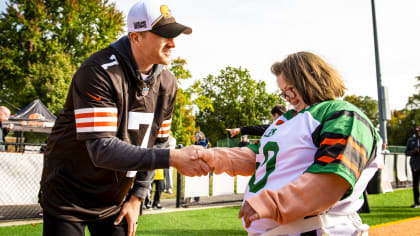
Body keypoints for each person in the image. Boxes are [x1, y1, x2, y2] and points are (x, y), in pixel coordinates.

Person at [39, 1, 210, 236]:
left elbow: (158, 141)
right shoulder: (99, 71)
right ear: (135, 37)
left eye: (174, 36)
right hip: (69, 196)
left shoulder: (168, 83)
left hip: (114, 200)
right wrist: (174, 157)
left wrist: (138, 197)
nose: (172, 43)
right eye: (163, 35)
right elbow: (102, 149)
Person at [197, 51, 381, 235]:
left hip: (319, 228)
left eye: (290, 90)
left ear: (310, 80)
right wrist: (208, 156)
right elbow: (259, 155)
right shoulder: (289, 118)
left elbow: (333, 178)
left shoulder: (342, 114)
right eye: (283, 93)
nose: (287, 98)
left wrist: (273, 203)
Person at [405, 126, 420, 208]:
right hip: (415, 165)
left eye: (419, 131)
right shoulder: (410, 141)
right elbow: (406, 152)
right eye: (416, 131)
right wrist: (413, 152)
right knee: (415, 184)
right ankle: (417, 202)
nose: (418, 133)